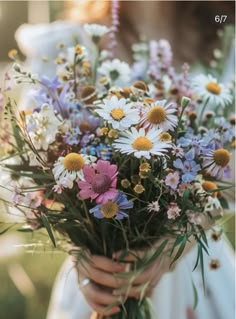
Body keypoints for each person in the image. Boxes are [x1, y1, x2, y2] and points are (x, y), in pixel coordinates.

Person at [14, 1, 235, 318]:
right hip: (99, 283)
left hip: (199, 281)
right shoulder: (68, 44)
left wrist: (184, 236)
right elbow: (29, 177)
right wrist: (81, 244)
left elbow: (230, 181)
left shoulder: (224, 36)